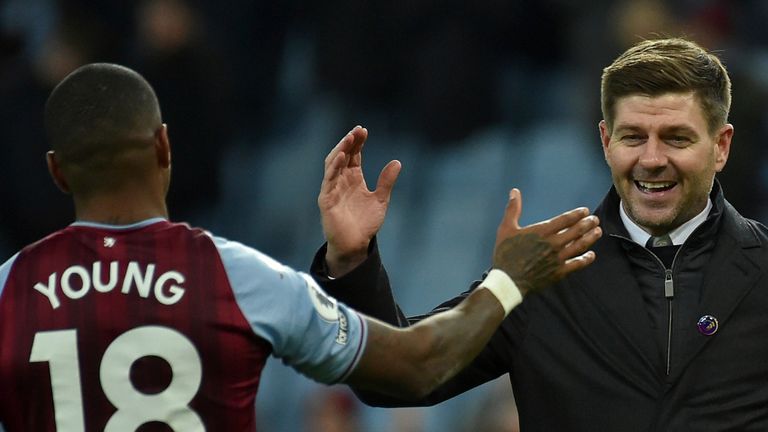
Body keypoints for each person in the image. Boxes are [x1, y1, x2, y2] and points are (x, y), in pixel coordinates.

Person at [0, 63, 601, 431]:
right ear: (163, 146)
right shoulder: (238, 279)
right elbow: (418, 366)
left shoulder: (8, 292)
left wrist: (350, 261)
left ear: (57, 171)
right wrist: (509, 280)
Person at [310, 37, 768, 430]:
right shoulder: (541, 273)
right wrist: (351, 259)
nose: (650, 159)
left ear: (721, 146)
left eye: (676, 138)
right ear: (606, 143)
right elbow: (398, 374)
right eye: (633, 137)